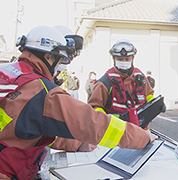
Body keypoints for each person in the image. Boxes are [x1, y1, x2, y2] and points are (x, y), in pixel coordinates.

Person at [0, 26, 157, 180]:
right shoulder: (45, 92)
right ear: (49, 57)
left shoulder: (6, 72)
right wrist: (142, 137)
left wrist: (76, 144)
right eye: (59, 60)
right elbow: (93, 123)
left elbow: (35, 125)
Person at [88, 39, 166, 130]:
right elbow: (94, 108)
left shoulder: (140, 76)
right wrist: (114, 118)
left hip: (142, 132)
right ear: (114, 58)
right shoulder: (105, 82)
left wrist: (157, 105)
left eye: (127, 59)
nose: (124, 62)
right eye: (120, 59)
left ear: (132, 58)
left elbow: (148, 96)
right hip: (116, 134)